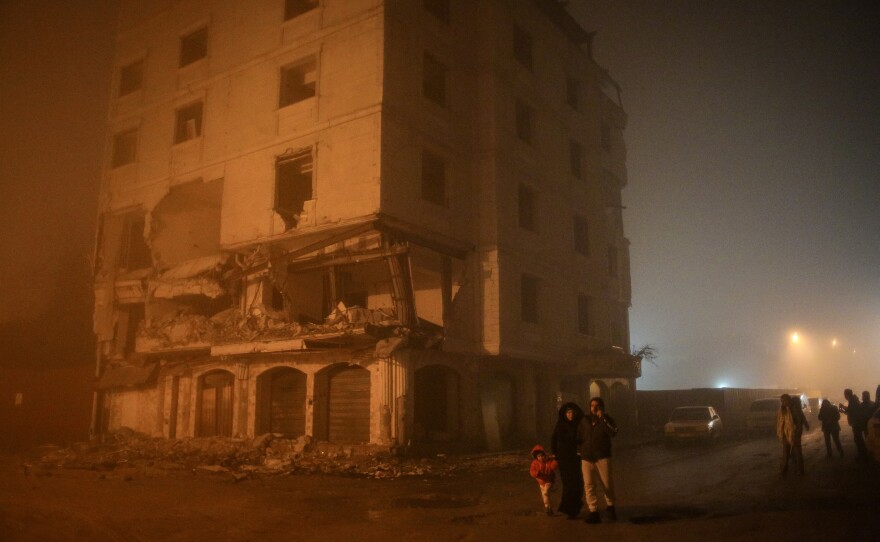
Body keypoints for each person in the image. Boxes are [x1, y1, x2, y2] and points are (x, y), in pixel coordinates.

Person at [577, 397, 618, 524]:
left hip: (602, 457)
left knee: (606, 484)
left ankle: (610, 507)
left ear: (602, 407)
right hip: (587, 458)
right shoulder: (584, 420)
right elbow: (579, 436)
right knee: (589, 485)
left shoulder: (607, 419)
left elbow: (613, 432)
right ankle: (593, 511)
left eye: (597, 405)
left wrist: (602, 418)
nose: (594, 407)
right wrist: (580, 451)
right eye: (592, 405)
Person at [551, 402, 585, 519]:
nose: (571, 415)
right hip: (564, 460)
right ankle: (569, 509)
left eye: (573, 412)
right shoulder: (560, 425)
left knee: (578, 483)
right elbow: (554, 440)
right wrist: (556, 455)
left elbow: (583, 440)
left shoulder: (578, 425)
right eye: (568, 412)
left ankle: (575, 507)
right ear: (565, 414)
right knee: (568, 484)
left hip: (576, 459)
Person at [838, 388, 868, 461]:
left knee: (858, 439)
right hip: (856, 422)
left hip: (856, 423)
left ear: (847, 394)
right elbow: (850, 410)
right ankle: (863, 454)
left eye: (845, 395)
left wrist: (842, 408)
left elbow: (851, 411)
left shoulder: (853, 400)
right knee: (858, 439)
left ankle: (862, 455)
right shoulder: (853, 400)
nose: (844, 396)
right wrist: (843, 409)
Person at [529, 444, 558, 516]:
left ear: (545, 455)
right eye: (538, 456)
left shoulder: (549, 461)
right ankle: (548, 508)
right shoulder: (535, 463)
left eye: (542, 456)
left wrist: (555, 460)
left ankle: (549, 509)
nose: (541, 458)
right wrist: (536, 473)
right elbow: (532, 471)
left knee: (546, 492)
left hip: (549, 481)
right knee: (544, 495)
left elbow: (554, 467)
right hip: (541, 482)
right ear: (536, 457)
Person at [788, 394, 809, 474]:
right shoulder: (798, 409)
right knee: (796, 450)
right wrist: (806, 425)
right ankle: (798, 468)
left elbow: (798, 422)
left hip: (795, 432)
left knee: (797, 450)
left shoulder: (793, 409)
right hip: (796, 431)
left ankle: (799, 469)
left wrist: (796, 431)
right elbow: (802, 418)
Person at [777, 394, 796, 476]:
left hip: (793, 433)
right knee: (785, 452)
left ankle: (795, 468)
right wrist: (780, 433)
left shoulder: (793, 408)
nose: (783, 402)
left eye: (784, 400)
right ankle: (784, 469)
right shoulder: (781, 410)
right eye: (782, 401)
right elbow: (780, 423)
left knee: (794, 452)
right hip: (785, 434)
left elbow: (796, 420)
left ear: (788, 400)